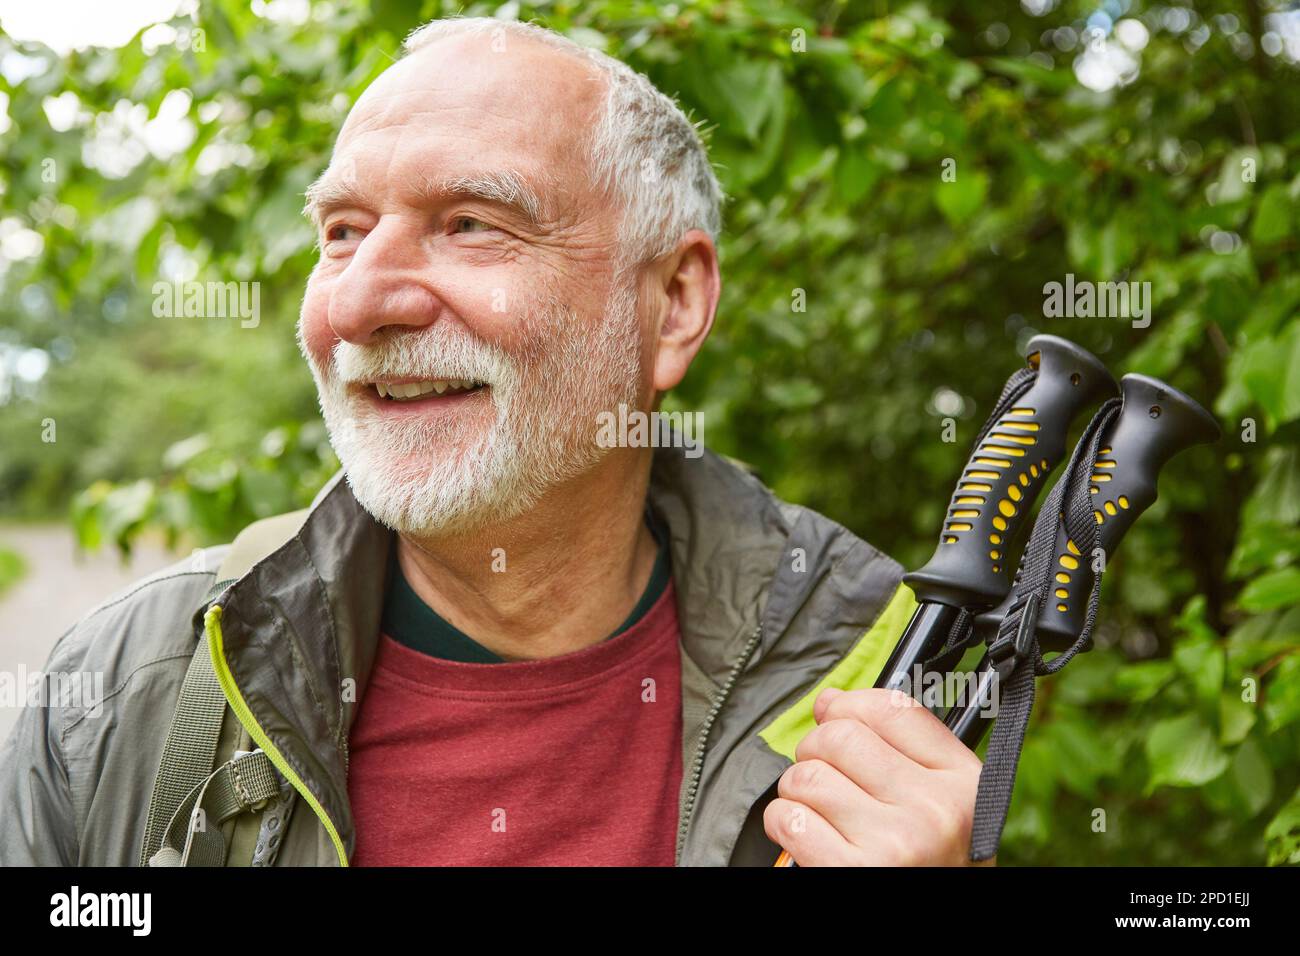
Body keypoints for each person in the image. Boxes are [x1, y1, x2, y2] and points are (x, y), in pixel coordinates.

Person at [0, 16, 984, 867]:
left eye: (470, 223)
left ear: (673, 303)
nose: (357, 300)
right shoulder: (134, 685)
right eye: (341, 231)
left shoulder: (877, 674)